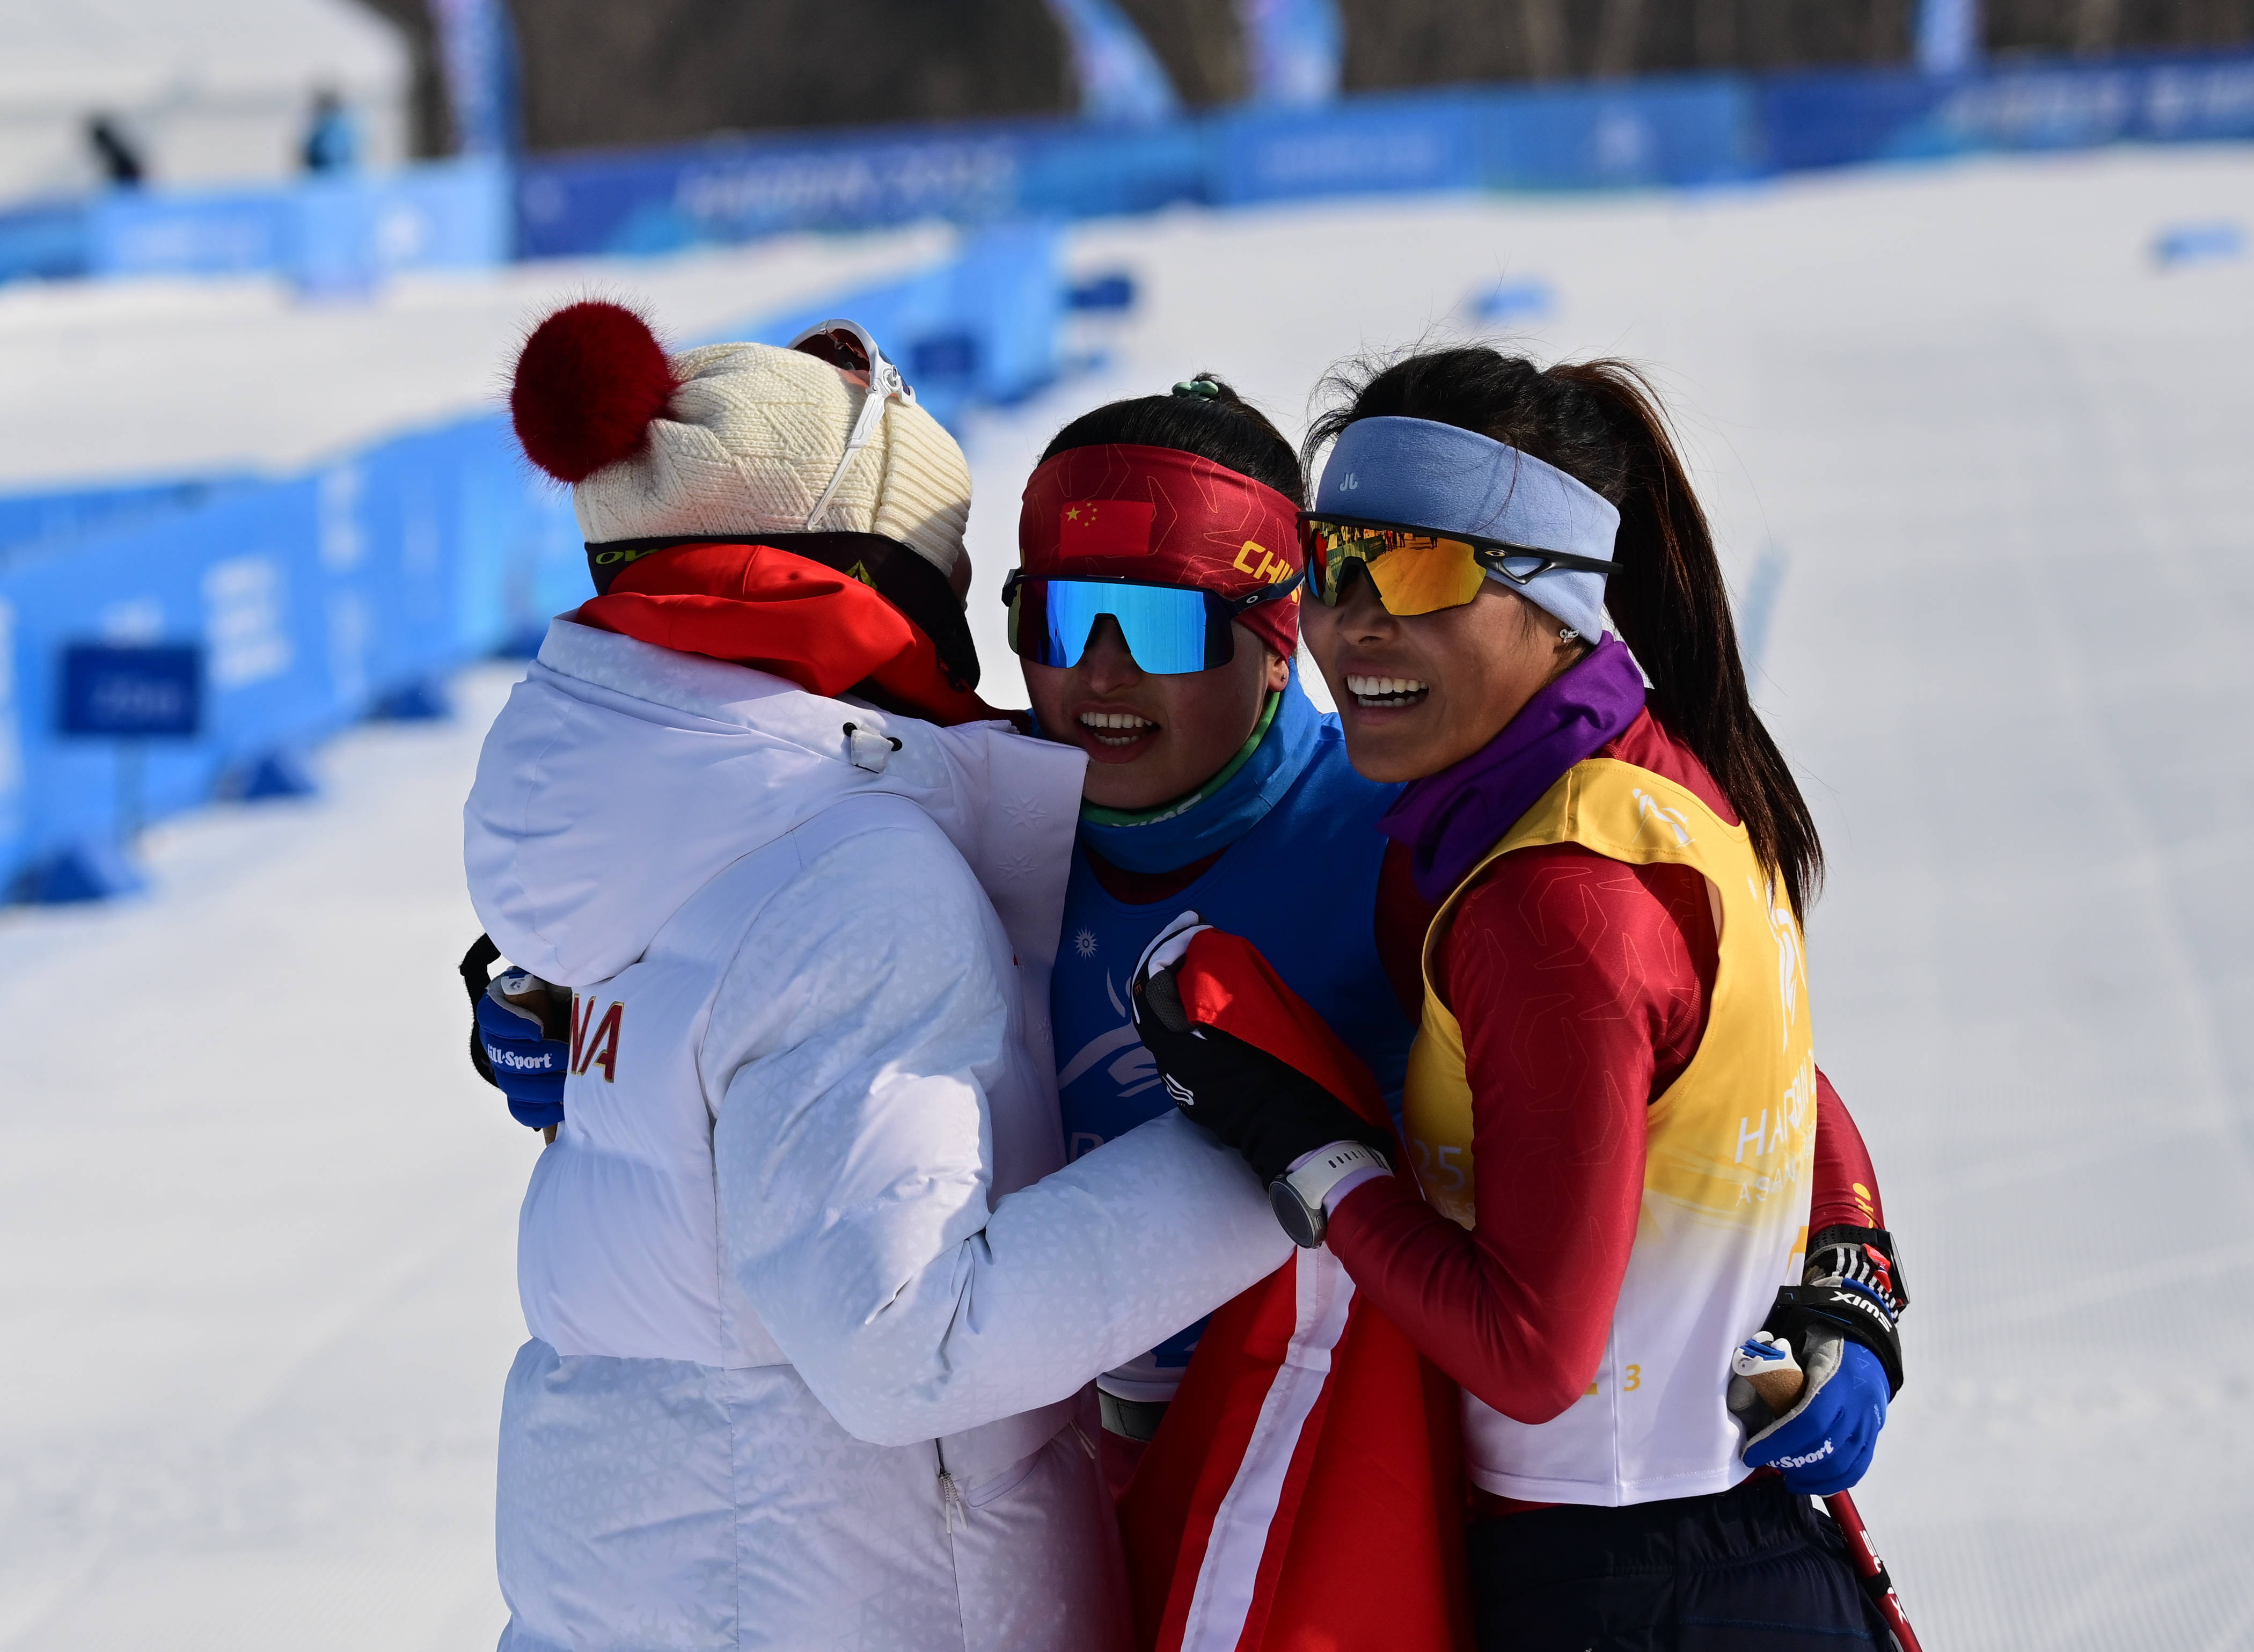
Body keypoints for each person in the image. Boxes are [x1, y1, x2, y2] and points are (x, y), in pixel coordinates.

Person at [464, 301, 1290, 1652]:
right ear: (869, 578)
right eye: (957, 578)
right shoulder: (855, 881)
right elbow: (912, 1341)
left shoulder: (639, 822)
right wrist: (1270, 1157)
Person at [1131, 346, 1909, 1650]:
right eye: (1333, 562)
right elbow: (1749, 1061)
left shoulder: (1550, 896)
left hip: (1619, 1581)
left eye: (1421, 568)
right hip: (1728, 1556)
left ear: (1560, 604)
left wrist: (1308, 1152)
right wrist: (1853, 1267)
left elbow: (1536, 1359)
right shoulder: (1639, 780)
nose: (1355, 621)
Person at [1007, 376, 1418, 1467]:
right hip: (1068, 1476)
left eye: (1158, 625)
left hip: (1341, 1470)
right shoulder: (972, 813)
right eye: (1055, 615)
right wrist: (571, 992)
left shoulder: (1393, 837)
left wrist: (1843, 1253)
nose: (1099, 670)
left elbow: (1669, 1018)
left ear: (1278, 640)